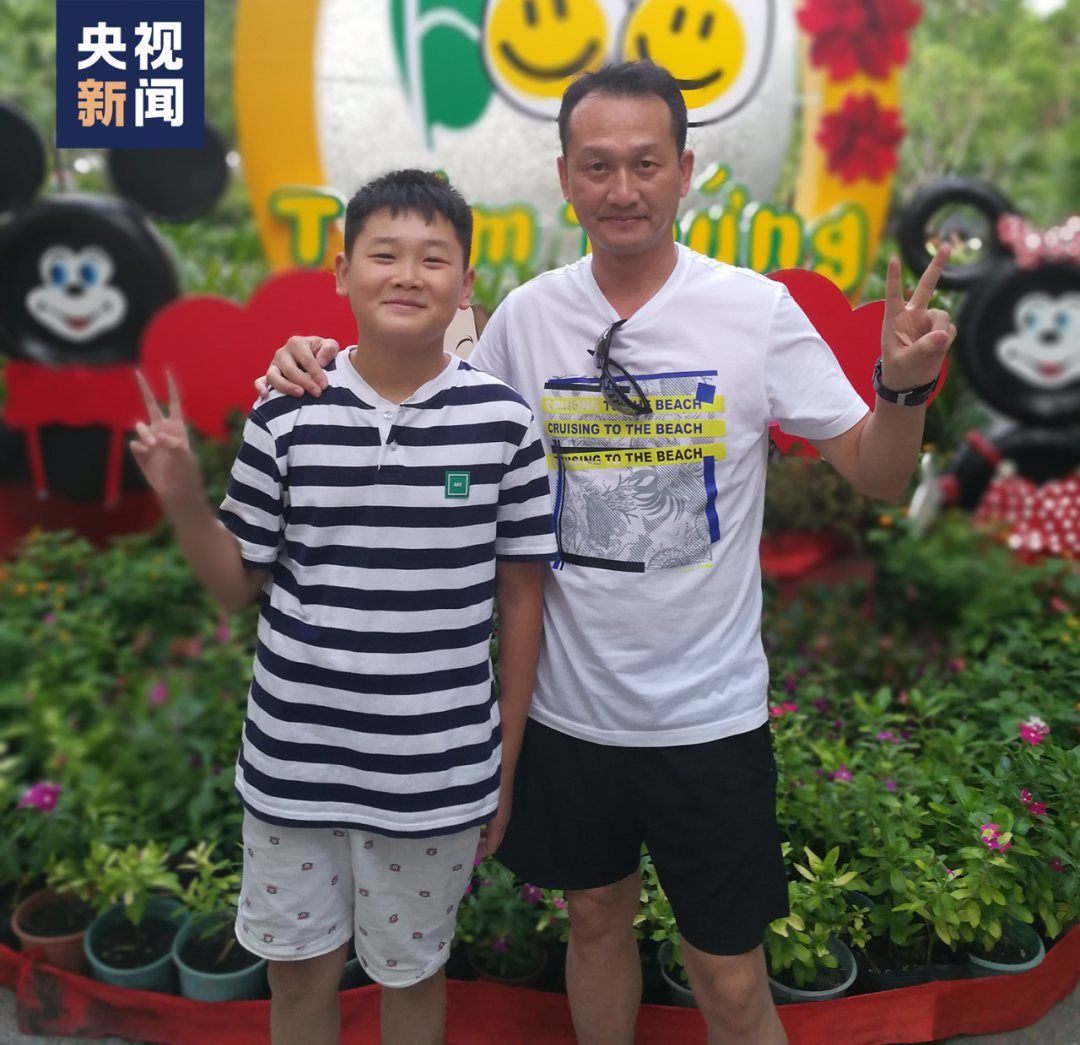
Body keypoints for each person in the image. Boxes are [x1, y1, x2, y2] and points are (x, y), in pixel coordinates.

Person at [258, 63, 955, 1045]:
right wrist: (310, 359)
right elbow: (414, 392)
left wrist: (902, 389)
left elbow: (877, 474)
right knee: (593, 922)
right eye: (597, 165)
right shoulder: (527, 318)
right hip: (570, 713)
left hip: (709, 719)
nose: (622, 188)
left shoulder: (753, 312)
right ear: (565, 178)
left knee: (731, 978)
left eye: (645, 163)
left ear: (685, 172)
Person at [131, 169, 556, 1045]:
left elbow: (521, 596)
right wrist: (180, 495)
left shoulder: (505, 423)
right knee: (297, 975)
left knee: (413, 973)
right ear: (342, 271)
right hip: (295, 762)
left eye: (434, 258)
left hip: (434, 769)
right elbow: (236, 582)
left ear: (466, 285)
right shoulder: (285, 415)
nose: (408, 275)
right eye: (384, 254)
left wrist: (504, 763)